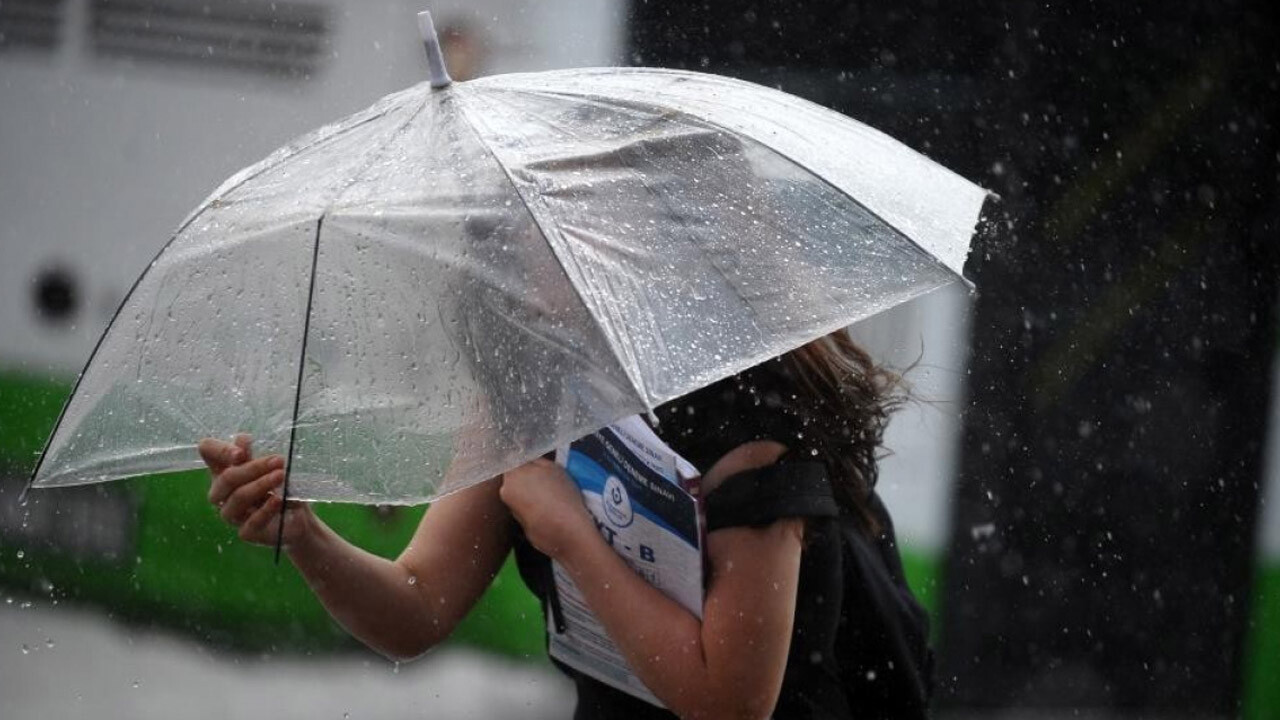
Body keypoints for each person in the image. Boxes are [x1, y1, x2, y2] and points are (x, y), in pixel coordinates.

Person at [199, 330, 933, 719]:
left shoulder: (750, 426)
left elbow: (729, 705)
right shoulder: (530, 391)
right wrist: (305, 536)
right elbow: (416, 605)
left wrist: (572, 538)